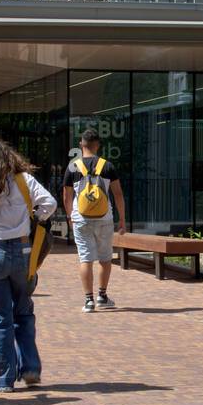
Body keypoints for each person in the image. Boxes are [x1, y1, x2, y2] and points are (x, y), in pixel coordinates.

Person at [0, 138, 55, 393]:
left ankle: (4, 380)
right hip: (23, 250)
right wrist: (33, 218)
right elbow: (49, 203)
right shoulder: (23, 180)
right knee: (23, 310)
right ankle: (30, 367)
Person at [63, 128, 127, 312]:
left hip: (80, 218)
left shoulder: (73, 166)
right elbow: (118, 194)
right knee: (105, 258)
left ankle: (88, 300)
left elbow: (67, 196)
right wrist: (122, 219)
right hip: (104, 218)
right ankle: (102, 295)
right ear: (97, 145)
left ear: (81, 145)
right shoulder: (107, 166)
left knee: (85, 258)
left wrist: (69, 216)